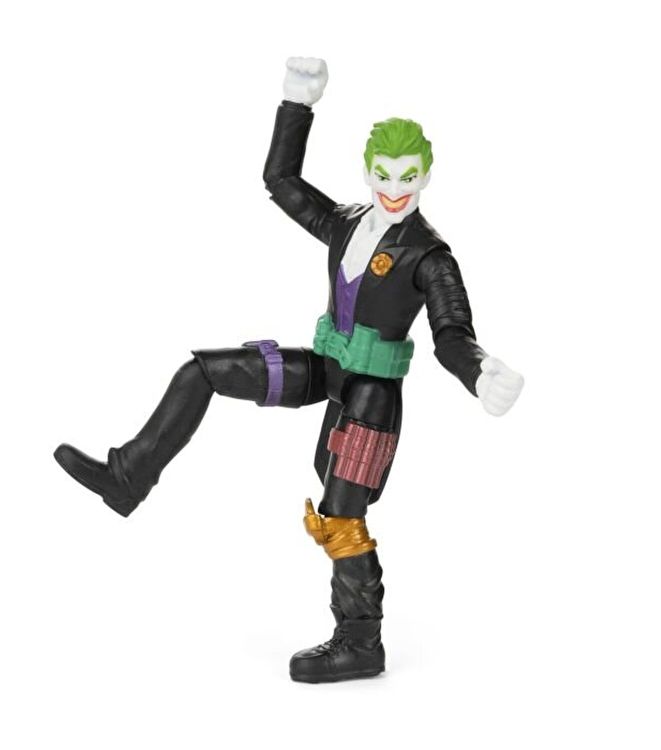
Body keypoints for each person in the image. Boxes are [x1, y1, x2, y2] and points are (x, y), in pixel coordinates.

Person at [54, 57, 524, 683]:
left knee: (341, 515)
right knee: (203, 373)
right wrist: (297, 104)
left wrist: (480, 371)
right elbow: (281, 181)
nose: (394, 188)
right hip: (323, 368)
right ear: (368, 170)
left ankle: (361, 640)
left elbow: (451, 333)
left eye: (408, 177)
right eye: (384, 174)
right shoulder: (346, 223)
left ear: (427, 176)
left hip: (371, 396)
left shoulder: (430, 256)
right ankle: (128, 477)